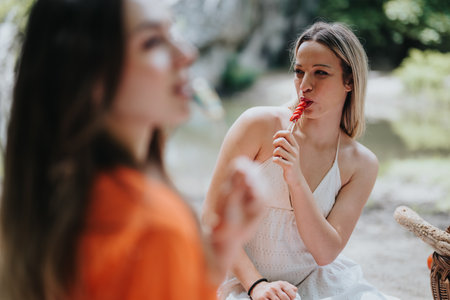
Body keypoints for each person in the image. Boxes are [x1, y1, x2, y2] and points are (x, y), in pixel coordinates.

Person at [0, 0, 264, 300]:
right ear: (90, 76)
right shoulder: (154, 227)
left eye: (173, 32)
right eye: (152, 42)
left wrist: (218, 251)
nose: (187, 54)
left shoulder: (52, 198)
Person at [203, 22, 400, 300]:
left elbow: (325, 253)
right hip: (240, 279)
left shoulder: (361, 163)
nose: (305, 86)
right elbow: (213, 217)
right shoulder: (258, 124)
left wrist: (295, 179)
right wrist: (257, 285)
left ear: (350, 81)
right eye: (299, 72)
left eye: (321, 73)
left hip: (312, 283)